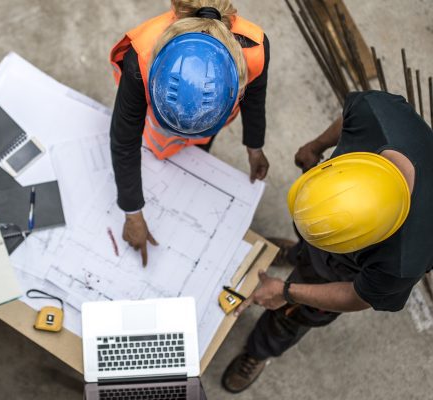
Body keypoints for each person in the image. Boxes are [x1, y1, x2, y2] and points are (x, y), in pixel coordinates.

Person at [221, 90, 433, 393]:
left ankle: (260, 351)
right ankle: (298, 254)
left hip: (341, 273)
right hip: (339, 224)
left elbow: (357, 296)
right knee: (309, 245)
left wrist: (288, 292)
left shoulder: (402, 261)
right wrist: (316, 145)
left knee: (295, 315)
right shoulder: (375, 114)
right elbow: (348, 116)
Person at [109, 0, 271, 266]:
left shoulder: (254, 48)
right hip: (159, 131)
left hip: (211, 124)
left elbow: (255, 99)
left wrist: (255, 146)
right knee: (159, 150)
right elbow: (125, 139)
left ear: (235, 87)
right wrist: (132, 212)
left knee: (196, 154)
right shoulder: (140, 59)